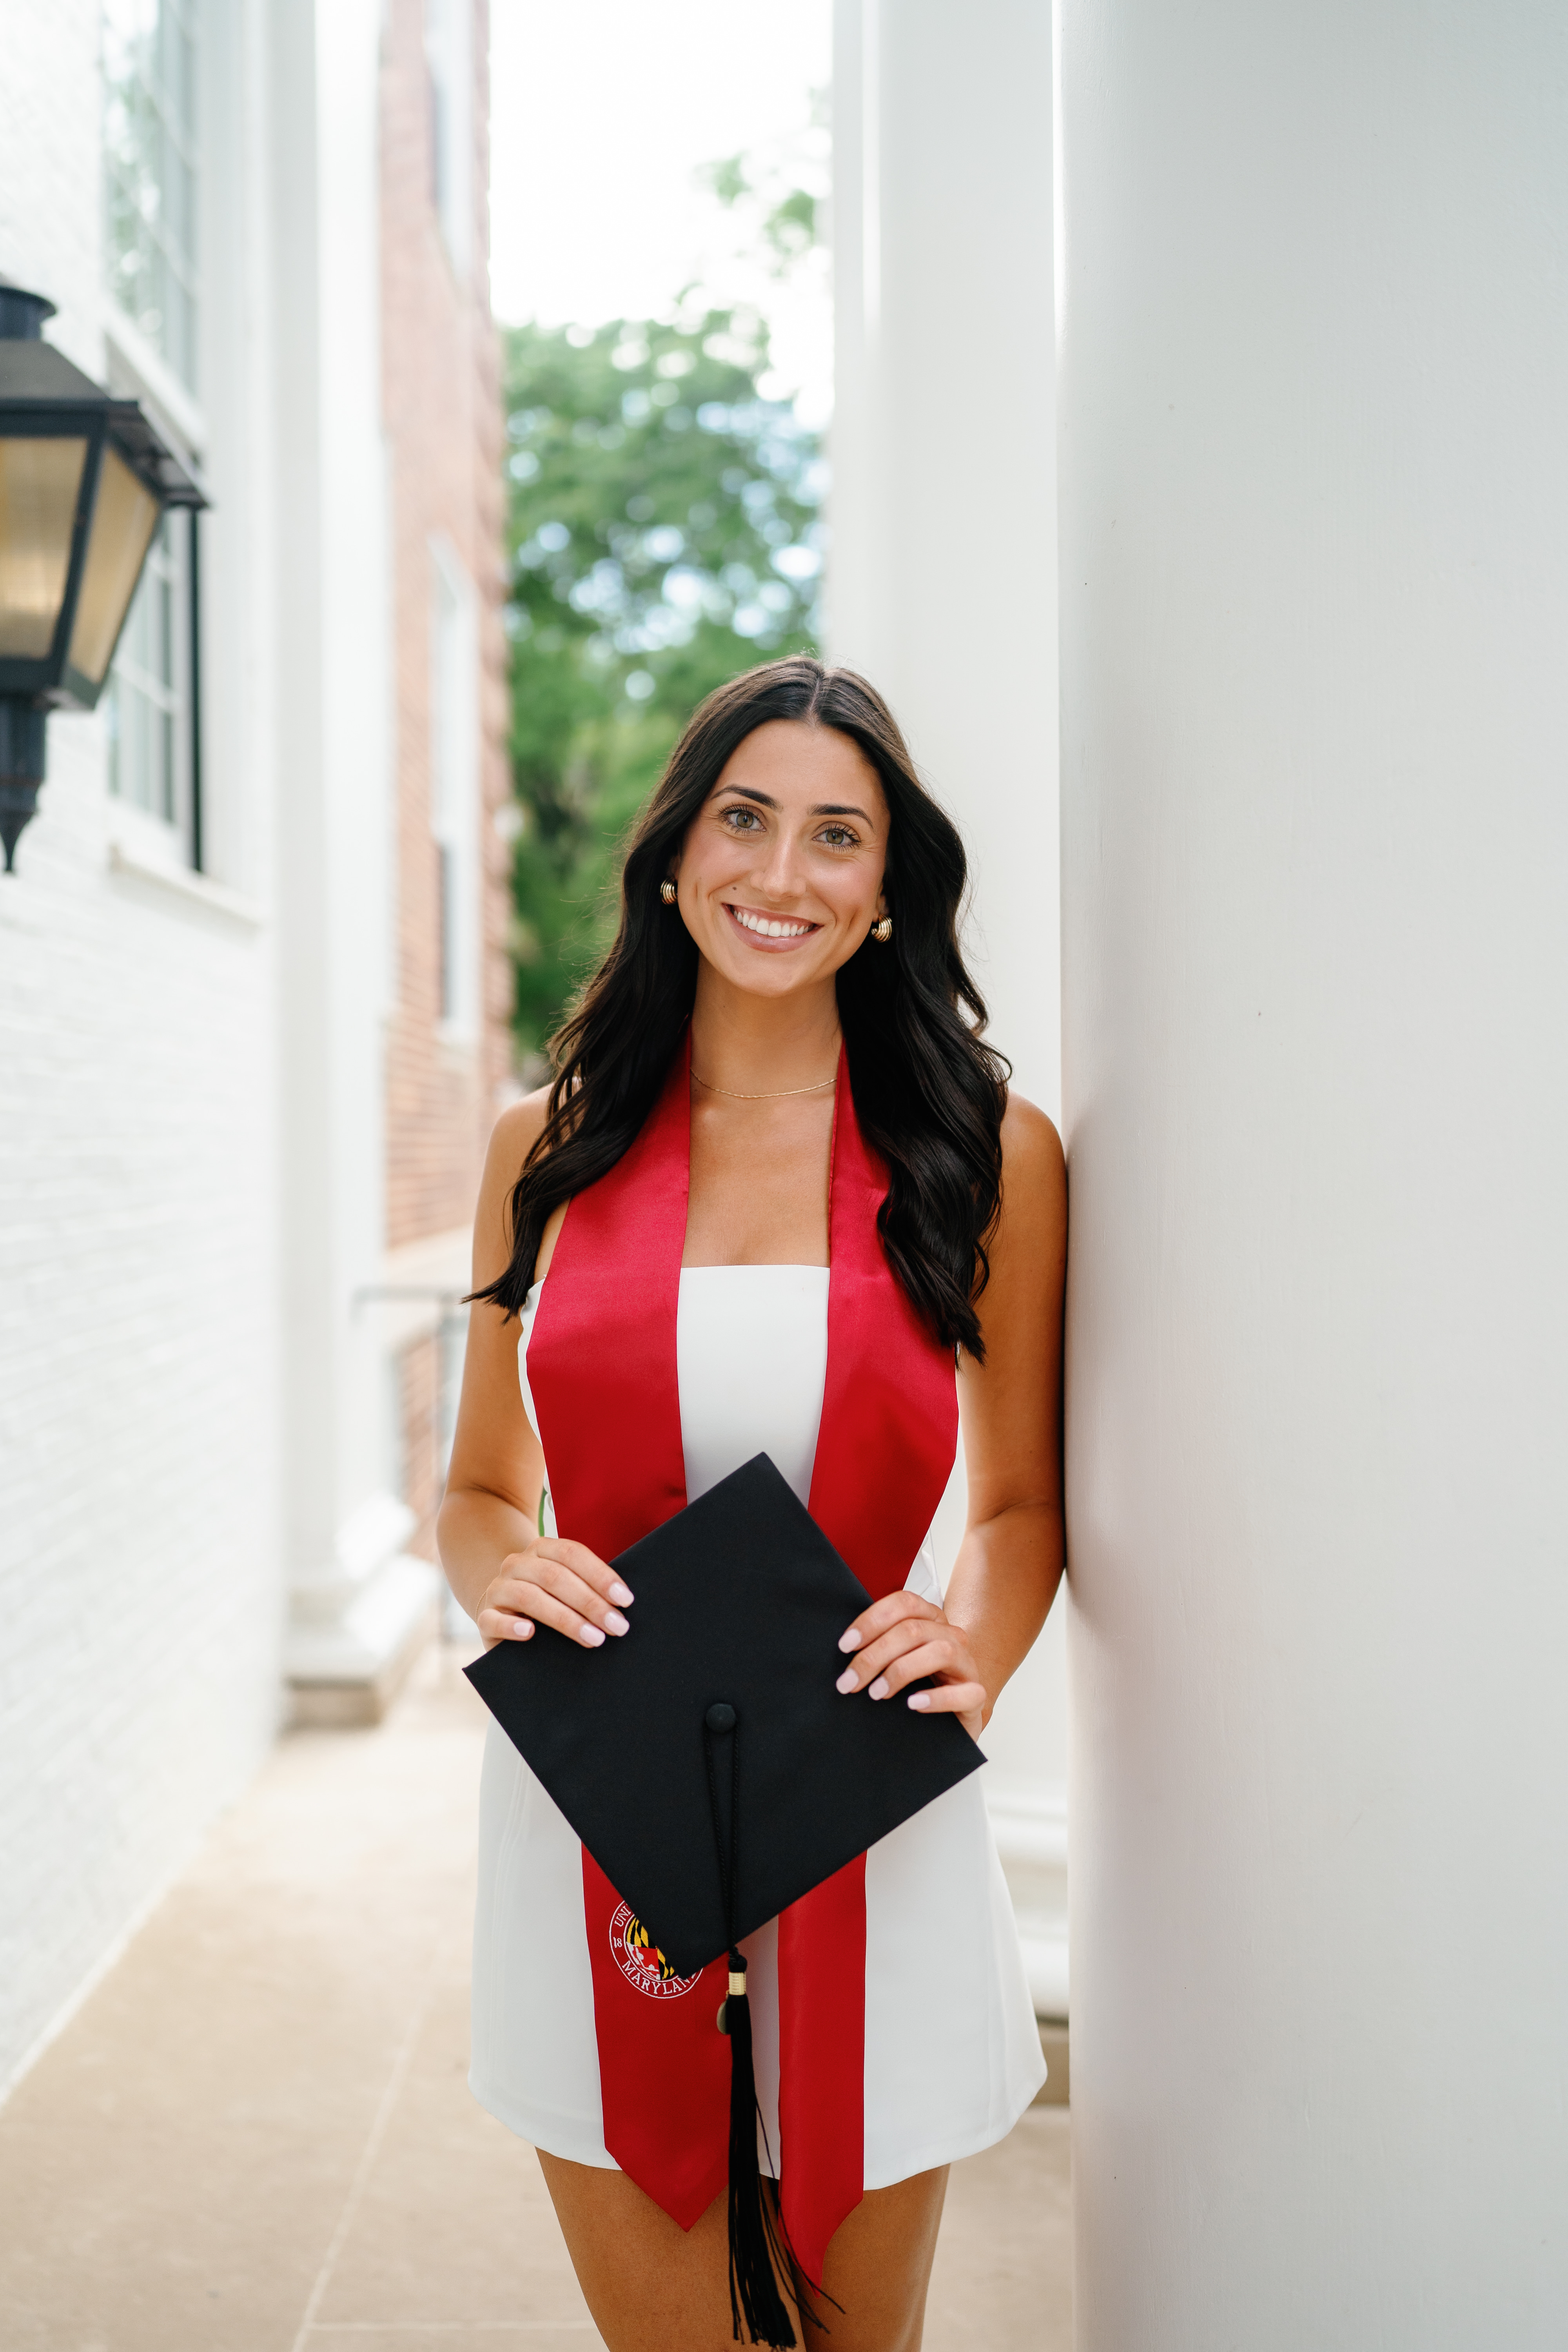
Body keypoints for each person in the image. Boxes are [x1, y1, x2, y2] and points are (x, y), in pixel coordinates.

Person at [438, 656, 1067, 2352]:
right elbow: (483, 1490)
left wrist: (973, 1648)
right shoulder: (542, 1146)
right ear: (671, 852)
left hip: (863, 1786)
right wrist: (513, 1575)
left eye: (837, 838)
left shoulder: (981, 1150)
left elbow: (1016, 1506)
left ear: (886, 892)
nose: (780, 878)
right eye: (744, 819)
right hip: (601, 1813)